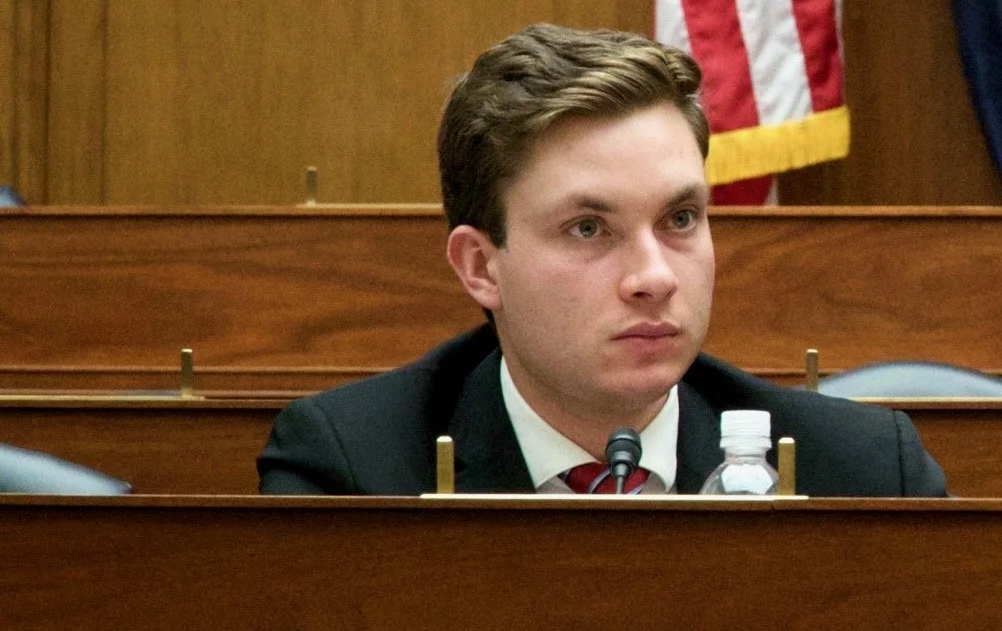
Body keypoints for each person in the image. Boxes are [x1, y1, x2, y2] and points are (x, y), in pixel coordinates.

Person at [260, 25, 946, 496]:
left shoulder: (860, 472)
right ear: (481, 267)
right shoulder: (353, 469)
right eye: (588, 228)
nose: (655, 277)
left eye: (680, 219)